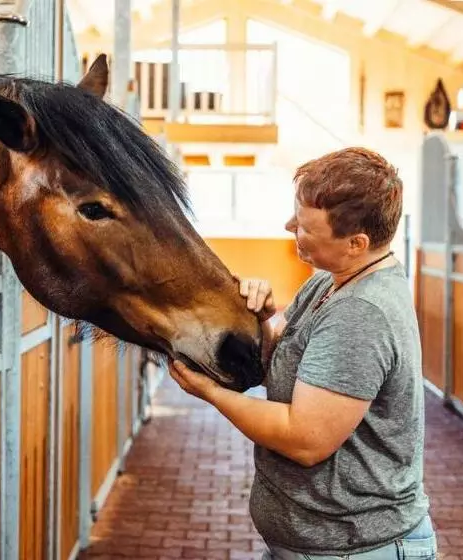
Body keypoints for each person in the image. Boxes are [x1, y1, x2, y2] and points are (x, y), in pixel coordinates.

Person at [168, 147, 437, 559]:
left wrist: (211, 394)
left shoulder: (361, 312)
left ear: (356, 243)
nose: (289, 226)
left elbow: (305, 439)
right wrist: (261, 317)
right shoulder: (328, 282)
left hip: (355, 548)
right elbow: (280, 361)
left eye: (305, 226)